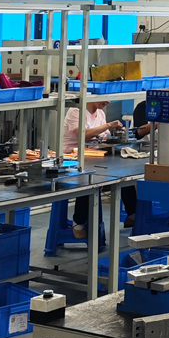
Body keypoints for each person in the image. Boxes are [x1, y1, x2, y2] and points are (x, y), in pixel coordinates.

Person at [63, 101, 123, 239]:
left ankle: (133, 214)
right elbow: (83, 135)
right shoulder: (76, 111)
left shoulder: (100, 113)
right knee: (89, 181)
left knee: (124, 175)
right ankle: (78, 222)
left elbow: (104, 136)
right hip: (74, 157)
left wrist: (115, 134)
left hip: (95, 156)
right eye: (104, 98)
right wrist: (108, 125)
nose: (108, 102)